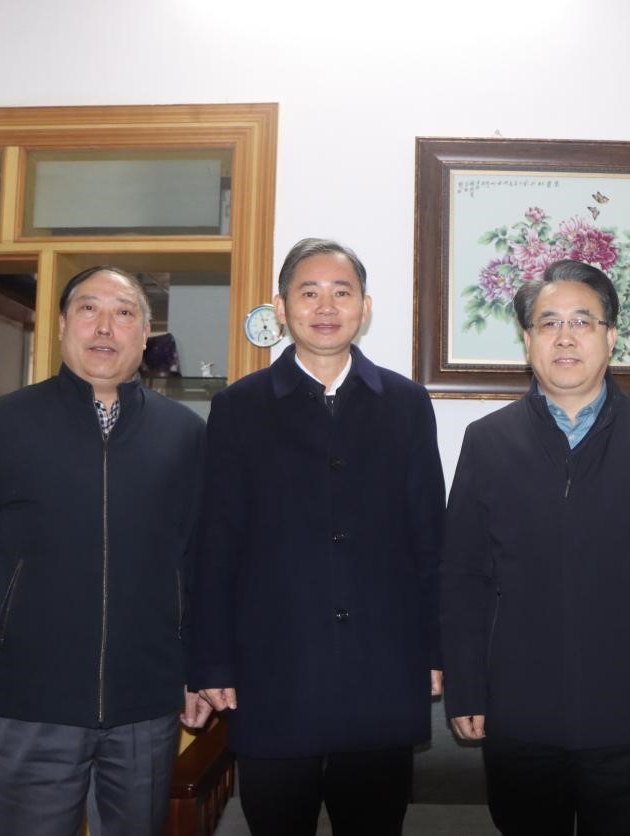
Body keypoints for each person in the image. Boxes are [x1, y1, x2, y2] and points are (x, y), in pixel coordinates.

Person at [441, 259, 630, 836]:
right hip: (517, 714)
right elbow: (464, 575)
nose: (565, 337)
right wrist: (466, 686)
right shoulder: (487, 441)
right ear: (528, 341)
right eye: (548, 323)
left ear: (610, 337)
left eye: (582, 321)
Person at [0, 266, 209, 836]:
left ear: (146, 332)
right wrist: (11, 623)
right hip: (29, 701)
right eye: (88, 308)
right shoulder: (3, 423)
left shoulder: (185, 435)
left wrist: (193, 663)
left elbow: (200, 561)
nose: (105, 326)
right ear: (60, 324)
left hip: (144, 704)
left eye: (124, 312)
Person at [188, 238, 446, 836]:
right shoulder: (239, 407)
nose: (326, 307)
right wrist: (211, 661)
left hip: (383, 667)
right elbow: (215, 545)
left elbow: (430, 536)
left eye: (342, 292)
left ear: (365, 307)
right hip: (273, 670)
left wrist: (436, 650)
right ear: (281, 308)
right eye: (309, 292)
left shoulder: (406, 404)